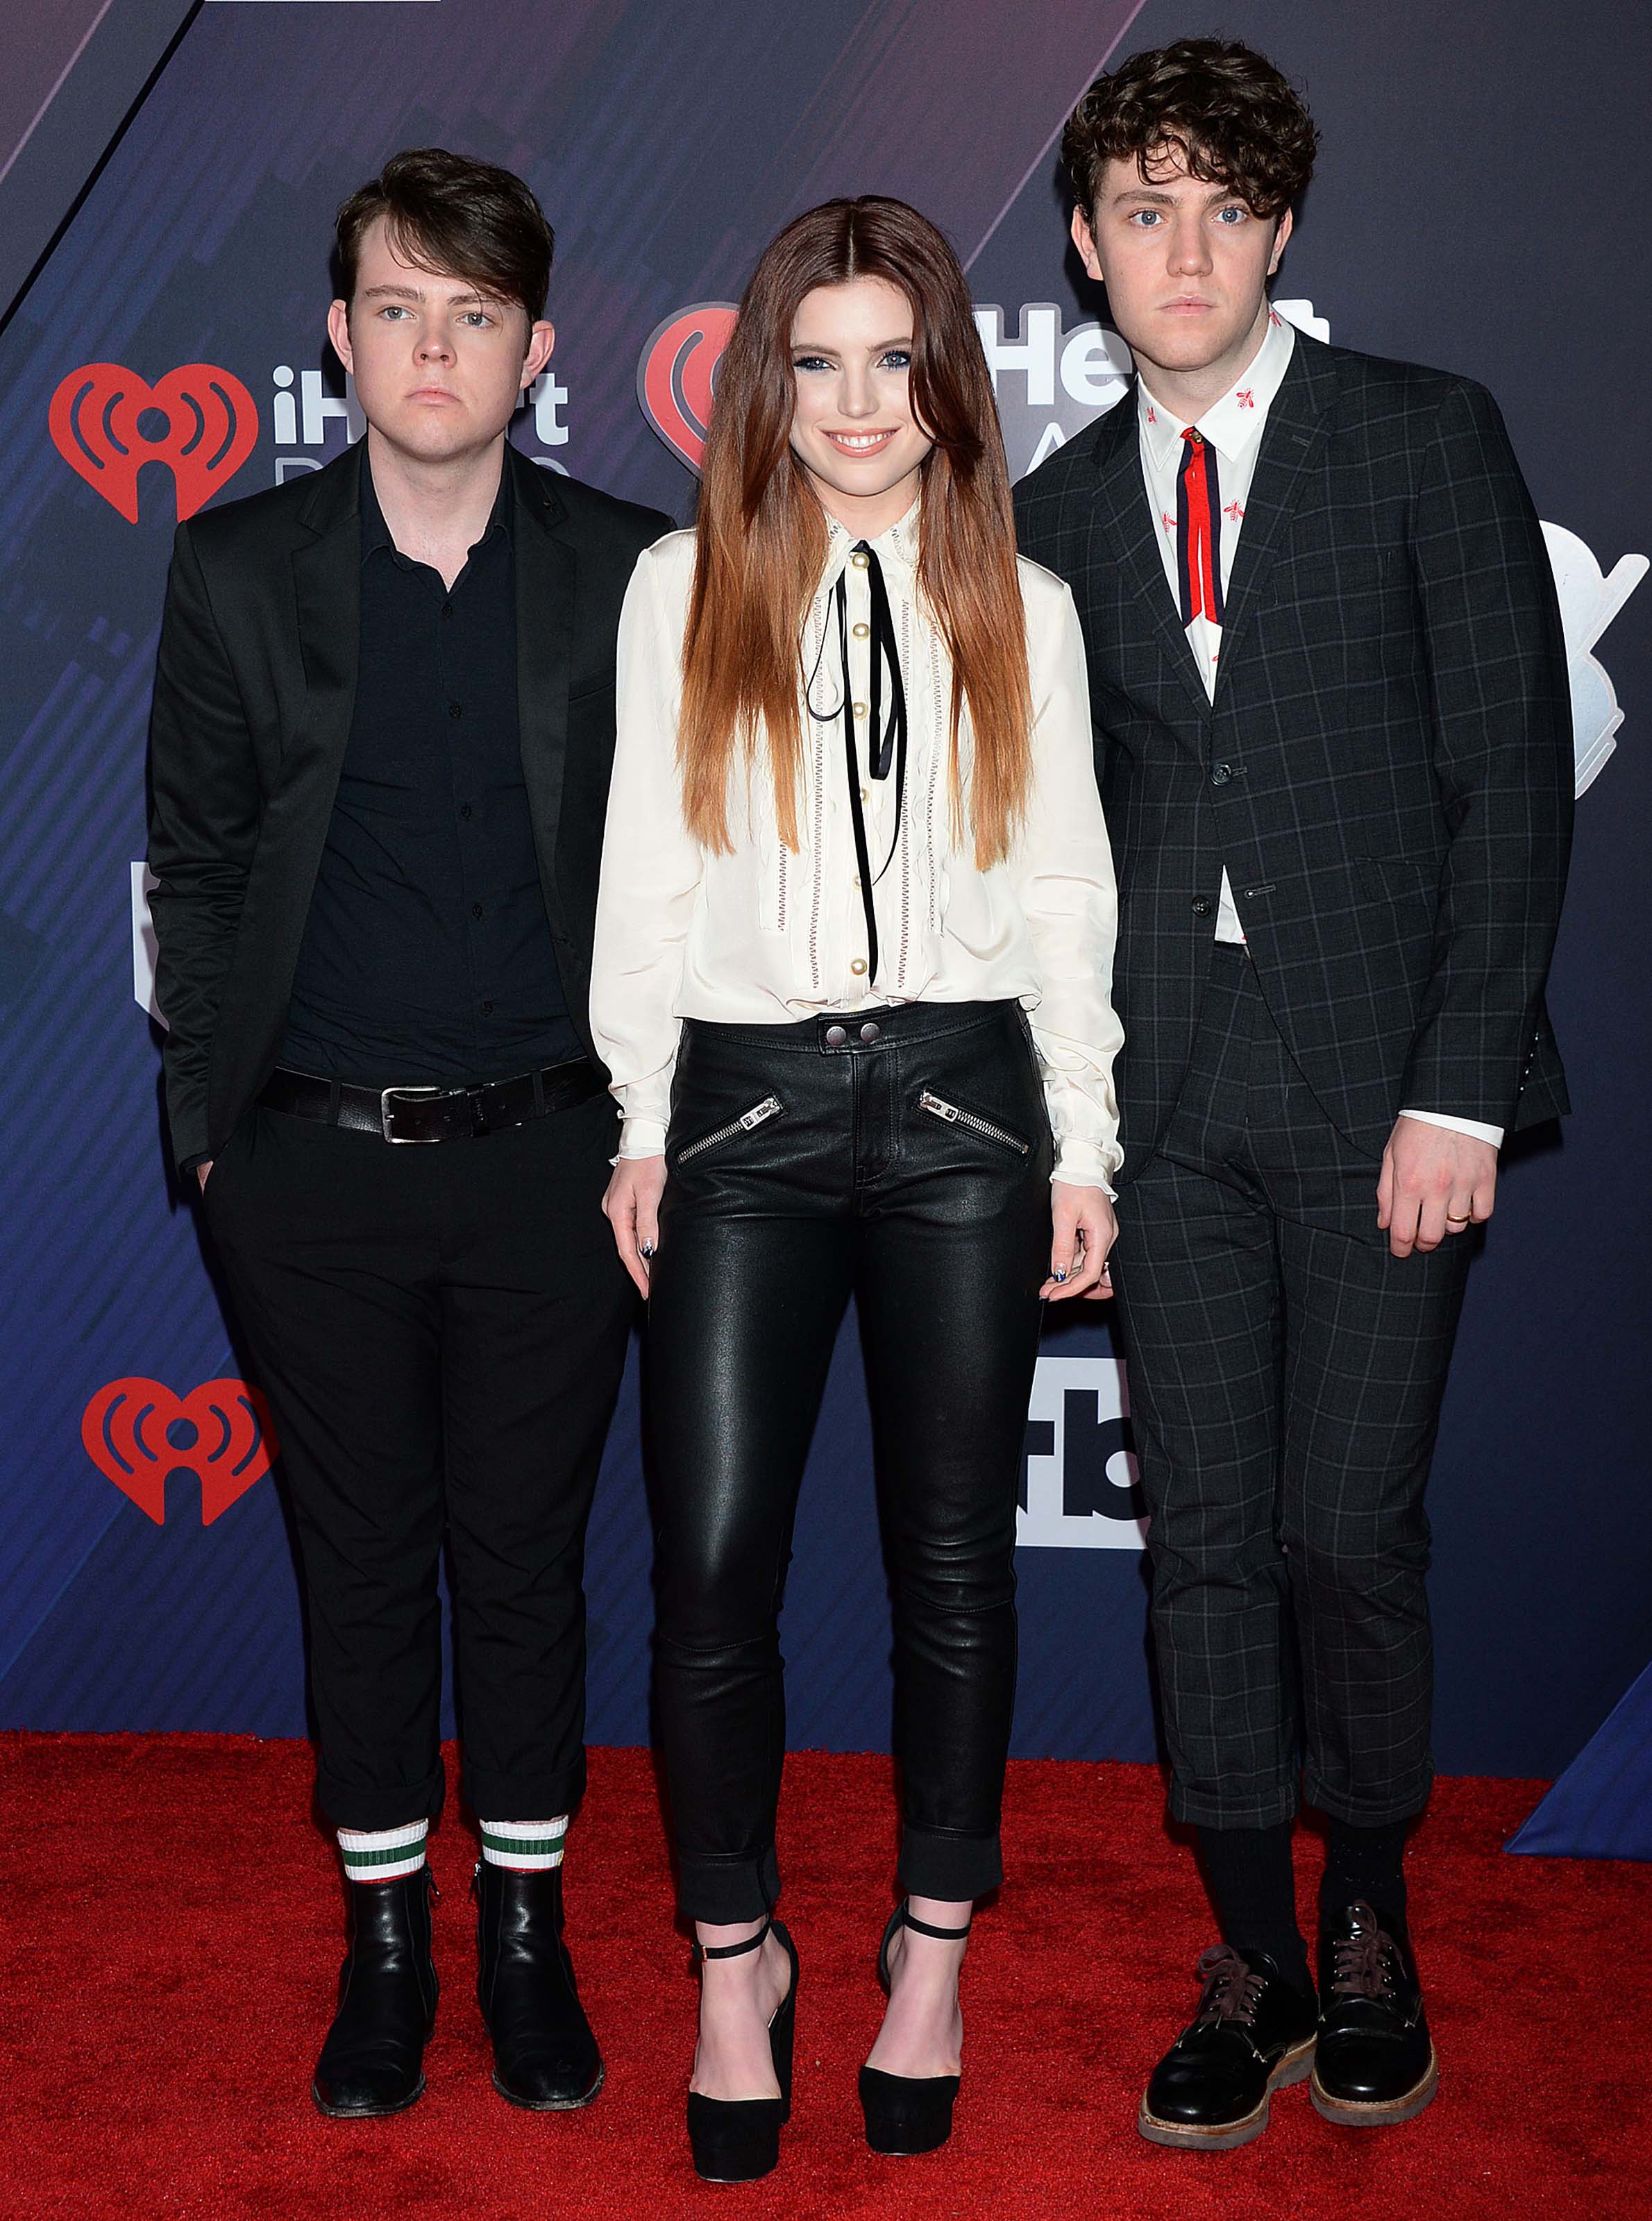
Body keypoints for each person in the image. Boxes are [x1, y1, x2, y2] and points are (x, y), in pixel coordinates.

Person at [1015, 37, 1572, 2150]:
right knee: (1205, 1555)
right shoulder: (1046, 515)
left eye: (1224, 210)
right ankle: (1244, 1945)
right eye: (1142, 210)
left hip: (1376, 1091)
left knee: (1350, 1535)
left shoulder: (1422, 438)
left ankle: (1365, 1913)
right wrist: (1066, 1141)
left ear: (1278, 234)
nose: (1185, 249)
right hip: (1165, 1103)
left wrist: (1456, 1087)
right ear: (1083, 243)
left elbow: (1509, 787)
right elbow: (1042, 855)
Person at [591, 196, 1122, 2181]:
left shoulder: (1029, 605)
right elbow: (646, 870)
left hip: (969, 1110)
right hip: (739, 1110)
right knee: (711, 1561)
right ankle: (735, 1963)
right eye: (813, 362)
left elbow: (1066, 884)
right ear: (765, 384)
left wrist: (1081, 1137)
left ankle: (926, 1952)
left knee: (952, 1568)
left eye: (892, 359)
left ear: (945, 382)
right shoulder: (681, 586)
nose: (853, 403)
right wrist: (642, 1114)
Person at [146, 148, 670, 2120]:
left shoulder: (634, 569)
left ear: (537, 350)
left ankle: (524, 1948)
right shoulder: (233, 567)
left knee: (525, 1566)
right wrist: (208, 1128)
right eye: (395, 308)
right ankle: (385, 1955)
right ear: (339, 334)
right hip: (304, 1171)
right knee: (358, 1565)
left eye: (472, 315)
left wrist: (657, 1129)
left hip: (556, 1162)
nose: (430, 348)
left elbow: (691, 878)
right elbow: (190, 872)